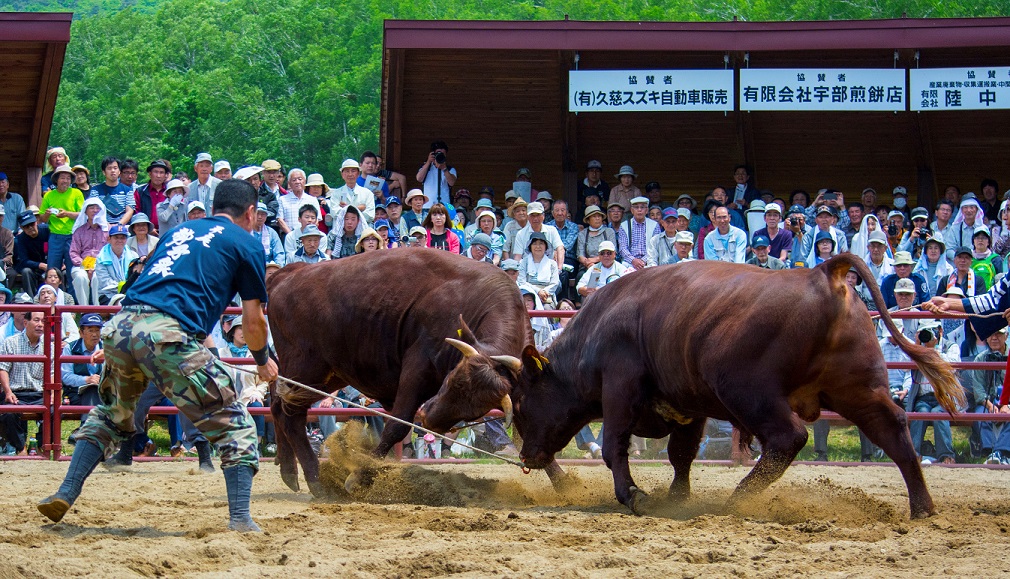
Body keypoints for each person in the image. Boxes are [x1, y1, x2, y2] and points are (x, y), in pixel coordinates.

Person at [38, 178, 278, 532]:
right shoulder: (247, 242)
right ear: (251, 212)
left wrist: (127, 344)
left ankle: (65, 491)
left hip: (123, 325)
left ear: (213, 209)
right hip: (169, 333)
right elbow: (253, 319)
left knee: (111, 414)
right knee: (235, 424)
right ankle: (241, 519)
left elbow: (141, 284)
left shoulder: (178, 232)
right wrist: (262, 359)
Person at [902, 320, 960, 464]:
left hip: (944, 396)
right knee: (920, 413)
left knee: (938, 414)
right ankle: (913, 455)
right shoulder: (917, 349)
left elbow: (952, 366)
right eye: (924, 332)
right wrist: (916, 346)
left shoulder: (950, 346)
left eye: (931, 331)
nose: (928, 336)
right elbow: (904, 365)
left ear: (939, 331)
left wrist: (933, 351)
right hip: (923, 398)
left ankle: (946, 455)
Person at [0, 311, 46, 455]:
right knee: (8, 413)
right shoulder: (11, 342)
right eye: (36, 320)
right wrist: (8, 391)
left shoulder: (49, 346)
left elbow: (52, 373)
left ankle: (40, 445)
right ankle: (21, 448)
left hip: (39, 394)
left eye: (43, 321)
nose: (40, 325)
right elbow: (3, 368)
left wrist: (51, 395)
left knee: (54, 411)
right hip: (16, 393)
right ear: (25, 323)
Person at [61, 313, 104, 443]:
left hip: (103, 392)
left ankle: (84, 430)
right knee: (91, 390)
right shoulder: (70, 348)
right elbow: (66, 376)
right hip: (75, 394)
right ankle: (91, 431)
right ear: (81, 332)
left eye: (97, 330)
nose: (95, 334)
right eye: (90, 330)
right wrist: (87, 380)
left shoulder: (106, 348)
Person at [38, 164, 84, 281]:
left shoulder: (76, 193)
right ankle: (52, 295)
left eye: (68, 178)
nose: (65, 181)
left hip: (73, 237)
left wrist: (67, 213)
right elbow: (42, 218)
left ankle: (73, 298)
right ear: (56, 180)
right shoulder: (49, 195)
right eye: (62, 178)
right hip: (55, 237)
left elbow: (82, 215)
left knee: (73, 271)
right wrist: (47, 214)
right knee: (52, 271)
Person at [69, 198, 109, 306]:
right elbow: (73, 252)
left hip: (102, 265)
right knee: (80, 277)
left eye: (97, 208)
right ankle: (84, 310)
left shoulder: (107, 231)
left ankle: (98, 311)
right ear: (85, 211)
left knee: (97, 277)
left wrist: (96, 266)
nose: (95, 210)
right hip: (81, 265)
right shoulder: (79, 231)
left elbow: (109, 252)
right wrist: (86, 265)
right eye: (91, 207)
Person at [93, 224, 139, 305]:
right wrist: (122, 288)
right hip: (107, 294)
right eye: (116, 237)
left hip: (129, 292)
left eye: (123, 237)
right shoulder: (101, 258)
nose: (119, 240)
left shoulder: (134, 255)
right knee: (121, 303)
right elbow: (105, 282)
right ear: (109, 239)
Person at [617, 197, 662, 271]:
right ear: (632, 210)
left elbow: (656, 247)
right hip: (629, 263)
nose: (639, 210)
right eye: (636, 207)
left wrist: (643, 261)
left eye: (642, 207)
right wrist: (634, 260)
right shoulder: (624, 225)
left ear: (647, 210)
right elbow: (622, 248)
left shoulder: (654, 225)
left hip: (649, 262)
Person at [512, 202, 564, 266]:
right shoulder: (521, 234)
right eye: (532, 215)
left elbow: (560, 249)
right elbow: (518, 256)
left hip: (549, 267)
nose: (535, 218)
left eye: (538, 215)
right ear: (528, 217)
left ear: (543, 216)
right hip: (527, 268)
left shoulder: (552, 230)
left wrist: (559, 268)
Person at [89, 156, 135, 225]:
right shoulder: (96, 190)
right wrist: (106, 225)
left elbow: (130, 210)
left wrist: (118, 225)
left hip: (122, 228)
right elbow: (93, 210)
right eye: (109, 168)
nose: (113, 171)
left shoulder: (127, 190)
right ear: (104, 172)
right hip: (102, 227)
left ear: (119, 171)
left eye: (115, 168)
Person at [518, 232, 560, 307]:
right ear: (530, 246)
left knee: (548, 309)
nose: (538, 246)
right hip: (528, 294)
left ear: (546, 246)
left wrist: (544, 291)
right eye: (534, 244)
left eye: (541, 243)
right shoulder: (523, 262)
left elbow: (555, 283)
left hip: (546, 295)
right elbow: (521, 281)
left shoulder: (552, 264)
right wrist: (537, 291)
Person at [575, 205, 616, 282]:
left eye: (599, 216)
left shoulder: (609, 232)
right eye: (594, 216)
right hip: (587, 266)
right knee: (581, 277)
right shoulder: (582, 234)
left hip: (607, 264)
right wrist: (588, 263)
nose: (597, 218)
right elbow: (580, 255)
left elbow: (614, 251)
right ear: (588, 220)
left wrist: (595, 260)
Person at [13, 210, 49, 297]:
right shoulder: (20, 240)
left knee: (61, 272)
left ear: (36, 222)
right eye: (26, 226)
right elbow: (23, 260)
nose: (30, 228)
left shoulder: (47, 230)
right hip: (33, 267)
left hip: (50, 263)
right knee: (26, 271)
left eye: (32, 224)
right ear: (21, 228)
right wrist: (40, 265)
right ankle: (31, 302)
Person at [276, 168, 318, 236]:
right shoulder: (282, 199)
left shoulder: (312, 200)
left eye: (300, 179)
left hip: (308, 237)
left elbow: (317, 220)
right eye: (294, 180)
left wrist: (306, 235)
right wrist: (291, 236)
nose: (297, 182)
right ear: (289, 183)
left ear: (305, 181)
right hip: (288, 236)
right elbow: (280, 220)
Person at [134, 160, 171, 233]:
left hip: (168, 231)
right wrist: (148, 227)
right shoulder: (140, 191)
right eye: (156, 172)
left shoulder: (170, 191)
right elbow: (136, 212)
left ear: (165, 175)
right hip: (145, 232)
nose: (158, 176)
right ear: (150, 174)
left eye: (161, 172)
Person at [416, 141, 456, 208]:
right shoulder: (426, 168)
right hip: (427, 206)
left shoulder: (449, 169)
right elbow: (419, 179)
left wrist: (444, 169)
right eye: (438, 153)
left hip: (445, 206)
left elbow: (452, 182)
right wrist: (428, 161)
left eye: (443, 154)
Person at [945, 196, 985, 263]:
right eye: (965, 207)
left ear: (977, 210)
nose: (968, 210)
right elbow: (949, 249)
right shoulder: (954, 228)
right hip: (958, 264)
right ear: (962, 210)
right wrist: (961, 259)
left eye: (971, 207)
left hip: (979, 262)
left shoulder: (982, 229)